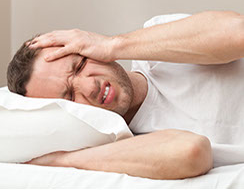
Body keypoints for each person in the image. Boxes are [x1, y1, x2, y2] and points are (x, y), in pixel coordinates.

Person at [7, 10, 244, 180]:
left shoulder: (154, 45)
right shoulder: (127, 144)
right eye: (70, 97)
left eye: (79, 65)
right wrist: (62, 160)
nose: (90, 88)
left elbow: (238, 33)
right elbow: (194, 151)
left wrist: (112, 45)